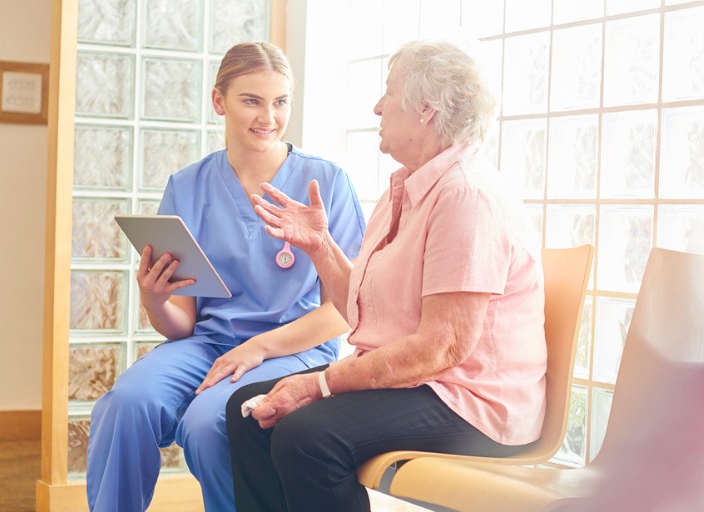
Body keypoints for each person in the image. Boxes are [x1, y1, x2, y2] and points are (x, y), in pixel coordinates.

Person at [226, 39, 546, 511]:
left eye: (389, 93)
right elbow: (362, 311)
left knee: (308, 437)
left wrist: (320, 384)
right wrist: (321, 247)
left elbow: (442, 347)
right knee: (250, 411)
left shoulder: (466, 196)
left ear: (425, 110)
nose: (377, 106)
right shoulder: (406, 188)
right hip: (421, 382)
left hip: (472, 401)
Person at [86, 42, 366, 512]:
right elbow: (185, 324)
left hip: (293, 350)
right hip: (210, 345)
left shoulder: (327, 181)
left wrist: (258, 347)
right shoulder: (188, 186)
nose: (268, 117)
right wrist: (154, 300)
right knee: (126, 404)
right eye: (251, 100)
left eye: (280, 102)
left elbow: (346, 312)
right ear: (219, 102)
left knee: (207, 425)